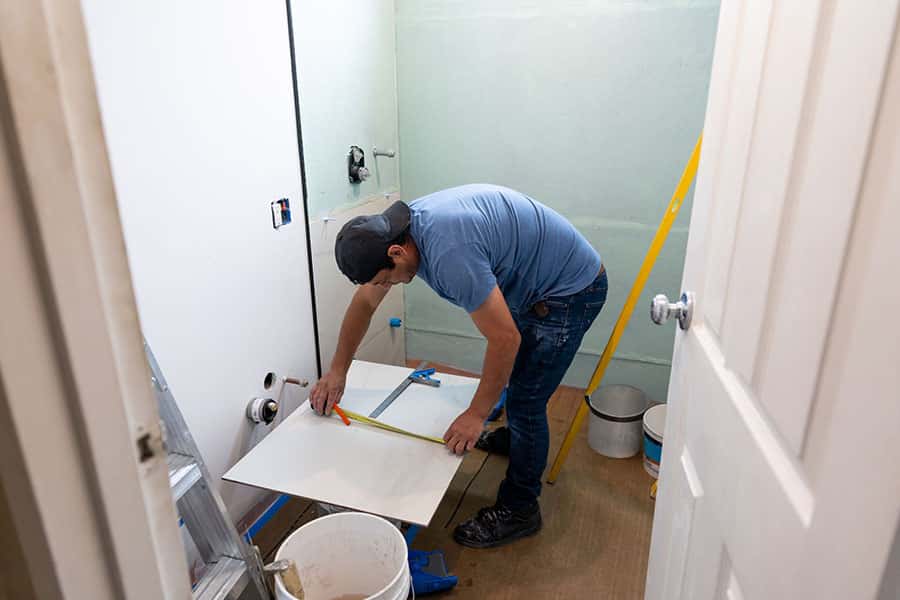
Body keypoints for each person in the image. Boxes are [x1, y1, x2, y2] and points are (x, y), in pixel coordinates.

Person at [310, 183, 607, 548]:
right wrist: (339, 369)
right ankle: (517, 442)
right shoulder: (404, 231)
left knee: (526, 400)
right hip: (537, 282)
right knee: (518, 375)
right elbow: (364, 305)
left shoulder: (450, 253)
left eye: (385, 277)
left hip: (571, 291)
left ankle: (520, 509)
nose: (386, 285)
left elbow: (505, 340)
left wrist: (475, 414)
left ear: (396, 251)